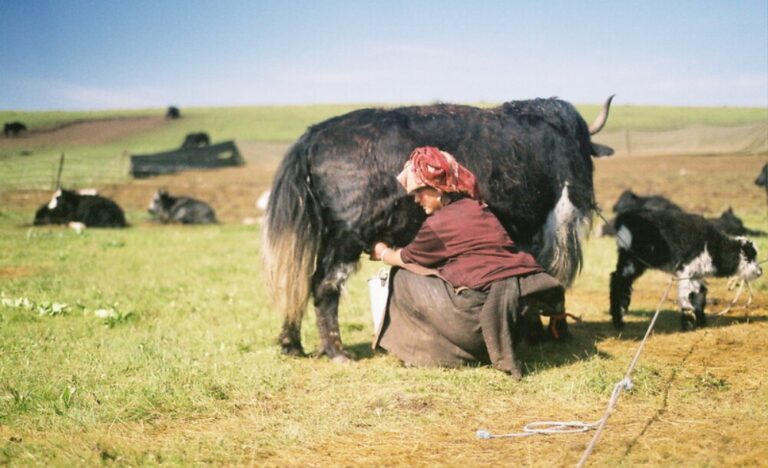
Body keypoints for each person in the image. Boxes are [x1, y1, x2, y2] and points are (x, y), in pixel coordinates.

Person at [371, 146, 567, 378]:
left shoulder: (436, 226)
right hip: (511, 327)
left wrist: (381, 250)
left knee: (401, 276)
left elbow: (403, 258)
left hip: (477, 328)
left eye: (419, 191)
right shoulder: (480, 210)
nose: (415, 199)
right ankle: (483, 350)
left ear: (437, 188)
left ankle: (433, 353)